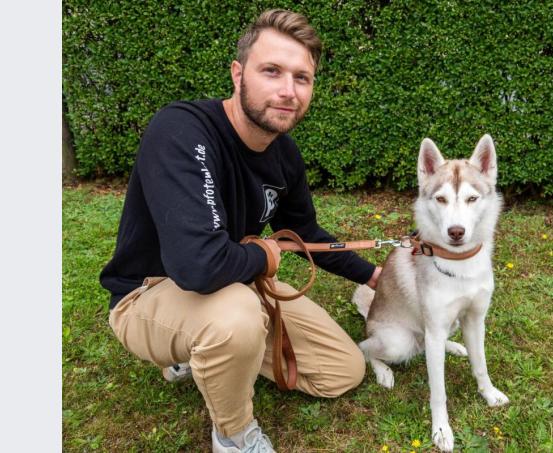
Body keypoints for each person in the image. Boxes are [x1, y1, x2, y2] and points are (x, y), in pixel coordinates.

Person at [99, 9, 381, 452]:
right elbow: (198, 265)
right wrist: (266, 255)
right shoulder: (181, 131)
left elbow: (302, 231)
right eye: (272, 71)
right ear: (238, 73)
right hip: (149, 293)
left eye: (302, 78)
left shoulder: (283, 153)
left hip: (233, 284)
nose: (288, 91)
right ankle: (232, 433)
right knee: (234, 317)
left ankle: (214, 352)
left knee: (342, 372)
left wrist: (373, 276)